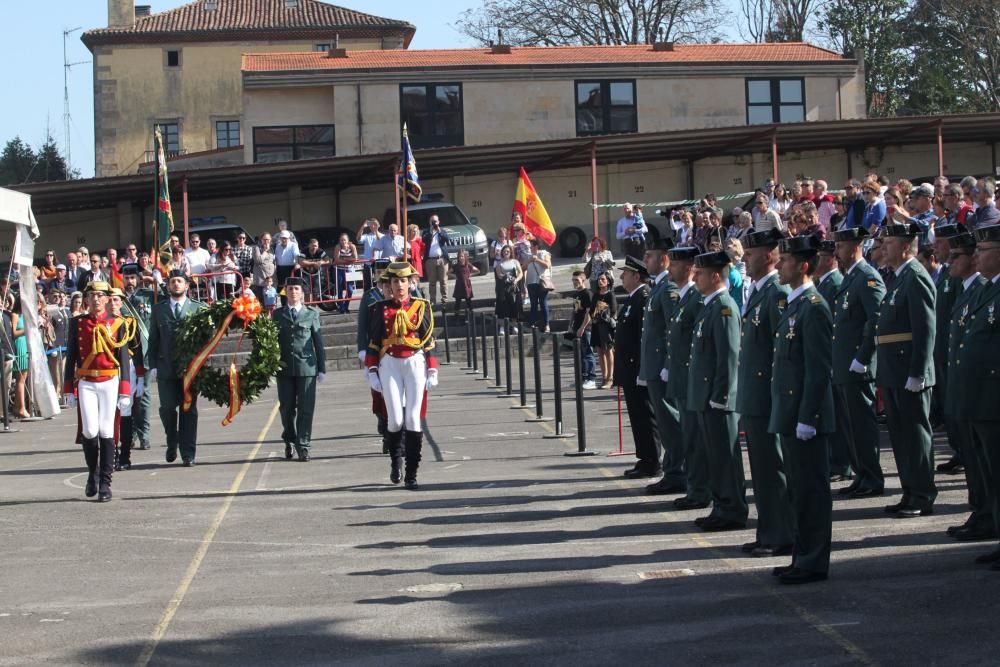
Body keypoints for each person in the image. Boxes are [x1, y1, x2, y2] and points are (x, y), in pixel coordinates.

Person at [770, 234, 835, 585]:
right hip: (790, 412)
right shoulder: (795, 306)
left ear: (804, 266)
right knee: (798, 490)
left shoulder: (814, 307)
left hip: (806, 417)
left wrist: (809, 418)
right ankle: (802, 555)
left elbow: (817, 370)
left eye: (785, 261)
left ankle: (813, 560)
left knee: (812, 491)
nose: (780, 265)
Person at [736, 228, 794, 557]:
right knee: (760, 470)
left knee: (774, 470)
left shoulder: (776, 293)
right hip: (755, 396)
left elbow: (780, 351)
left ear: (769, 256)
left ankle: (782, 534)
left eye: (751, 253)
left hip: (768, 396)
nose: (746, 257)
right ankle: (767, 531)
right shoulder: (758, 292)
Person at [876, 222, 937, 518]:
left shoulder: (915, 277)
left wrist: (919, 372)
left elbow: (925, 329)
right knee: (901, 437)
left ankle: (922, 493)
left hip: (908, 371)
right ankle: (909, 491)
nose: (883, 248)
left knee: (915, 436)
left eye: (888, 244)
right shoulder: (899, 278)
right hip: (893, 370)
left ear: (904, 247)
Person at [688, 249, 747, 532]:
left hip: (718, 399)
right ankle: (721, 505)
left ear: (715, 276)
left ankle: (733, 509)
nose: (695, 277)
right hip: (706, 396)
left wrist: (721, 397)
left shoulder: (724, 307)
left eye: (699, 273)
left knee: (726, 458)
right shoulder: (710, 306)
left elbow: (728, 357)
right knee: (716, 456)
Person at [364, 262, 438, 489]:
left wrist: (432, 367)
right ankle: (396, 461)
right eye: (394, 282)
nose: (399, 286)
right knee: (395, 419)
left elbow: (428, 340)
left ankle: (412, 473)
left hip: (414, 362)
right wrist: (372, 370)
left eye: (403, 281)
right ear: (390, 285)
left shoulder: (421, 306)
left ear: (410, 283)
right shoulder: (379, 308)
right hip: (390, 364)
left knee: (413, 419)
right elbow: (374, 343)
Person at [953, 224, 1000, 569]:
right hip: (981, 398)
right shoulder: (988, 290)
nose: (978, 256)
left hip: (993, 399)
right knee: (990, 472)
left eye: (985, 250)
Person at [62, 281, 134, 502]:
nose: (96, 299)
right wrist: (67, 388)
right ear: (87, 299)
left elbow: (122, 357)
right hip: (86, 381)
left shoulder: (117, 323)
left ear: (107, 298)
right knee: (90, 432)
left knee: (106, 431)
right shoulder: (78, 323)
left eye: (100, 295)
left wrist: (124, 389)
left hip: (110, 380)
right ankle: (92, 473)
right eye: (92, 295)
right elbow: (72, 355)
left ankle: (105, 482)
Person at [940, 228, 990, 542]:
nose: (950, 261)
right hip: (967, 390)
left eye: (957, 256)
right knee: (975, 460)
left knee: (986, 464)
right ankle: (982, 513)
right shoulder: (969, 290)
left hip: (985, 394)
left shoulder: (984, 290)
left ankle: (988, 517)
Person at [831, 227, 887, 499]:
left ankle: (872, 477)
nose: (837, 252)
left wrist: (863, 358)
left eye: (840, 247)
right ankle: (861, 473)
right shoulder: (850, 278)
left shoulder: (867, 278)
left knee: (862, 426)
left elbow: (876, 320)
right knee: (850, 425)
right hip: (844, 365)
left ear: (854, 247)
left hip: (857, 366)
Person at [662, 246, 710, 510]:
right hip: (682, 379)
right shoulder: (684, 297)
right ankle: (695, 488)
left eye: (676, 264)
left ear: (689, 268)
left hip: (692, 379)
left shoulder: (696, 298)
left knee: (695, 439)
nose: (670, 268)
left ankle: (701, 489)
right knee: (689, 437)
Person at [639, 239, 686, 496]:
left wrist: (668, 365)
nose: (646, 261)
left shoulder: (668, 289)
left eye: (650, 256)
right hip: (654, 368)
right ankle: (672, 470)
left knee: (671, 423)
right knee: (666, 425)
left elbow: (672, 332)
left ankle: (678, 472)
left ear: (664, 259)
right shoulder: (658, 287)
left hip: (662, 369)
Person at [147, 270, 205, 466]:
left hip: (190, 370)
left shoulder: (198, 309)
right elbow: (153, 340)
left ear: (187, 285)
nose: (176, 284)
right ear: (168, 286)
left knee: (189, 410)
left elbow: (206, 341)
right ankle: (172, 440)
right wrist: (153, 366)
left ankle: (188, 453)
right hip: (166, 368)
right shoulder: (158, 310)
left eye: (180, 281)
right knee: (167, 408)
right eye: (173, 282)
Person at [614, 256, 660, 479]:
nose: (621, 277)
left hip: (637, 368)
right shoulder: (633, 298)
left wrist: (642, 369)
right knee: (637, 416)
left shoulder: (643, 298)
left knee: (645, 415)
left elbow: (645, 337)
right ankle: (644, 457)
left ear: (636, 276)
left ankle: (652, 460)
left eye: (626, 273)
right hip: (629, 369)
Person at [273, 277, 326, 462]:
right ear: (285, 292)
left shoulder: (311, 314)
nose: (293, 292)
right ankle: (289, 439)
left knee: (306, 409)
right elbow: (271, 341)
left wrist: (321, 368)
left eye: (296, 289)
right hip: (285, 368)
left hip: (307, 367)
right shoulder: (277, 315)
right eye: (290, 289)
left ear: (302, 293)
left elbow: (318, 343)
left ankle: (303, 445)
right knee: (286, 409)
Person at [813, 240, 851, 482]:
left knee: (838, 415)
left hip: (835, 358)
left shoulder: (835, 283)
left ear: (829, 259)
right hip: (828, 358)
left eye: (820, 256)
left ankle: (841, 463)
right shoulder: (824, 283)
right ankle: (835, 461)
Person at [108, 287, 145, 471]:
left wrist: (140, 377)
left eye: (116, 300)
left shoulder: (130, 322)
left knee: (125, 413)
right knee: (109, 415)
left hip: (126, 370)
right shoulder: (102, 323)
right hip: (106, 371)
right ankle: (111, 454)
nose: (113, 303)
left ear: (122, 303)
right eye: (110, 300)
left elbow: (137, 351)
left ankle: (124, 456)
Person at [122, 263, 154, 451]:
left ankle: (144, 435)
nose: (130, 282)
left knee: (143, 397)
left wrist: (156, 280)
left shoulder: (148, 296)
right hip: (126, 356)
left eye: (133, 278)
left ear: (139, 279)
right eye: (127, 278)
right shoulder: (118, 299)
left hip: (145, 353)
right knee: (128, 397)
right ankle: (130, 434)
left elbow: (168, 297)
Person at [569, 270, 597, 389]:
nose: (575, 282)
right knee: (580, 354)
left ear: (583, 280)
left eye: (577, 280)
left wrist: (582, 327)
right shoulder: (576, 294)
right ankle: (582, 378)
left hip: (586, 328)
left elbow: (589, 313)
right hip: (577, 327)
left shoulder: (587, 294)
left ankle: (591, 378)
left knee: (588, 353)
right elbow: (575, 311)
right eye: (573, 280)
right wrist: (570, 325)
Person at [590, 271, 617, 389]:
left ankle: (611, 377)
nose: (600, 281)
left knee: (608, 350)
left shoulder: (610, 294)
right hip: (596, 325)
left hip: (606, 326)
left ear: (608, 281)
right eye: (599, 279)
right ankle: (604, 376)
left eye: (603, 279)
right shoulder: (596, 295)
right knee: (599, 351)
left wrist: (604, 312)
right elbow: (591, 310)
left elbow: (614, 310)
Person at [524, 239, 552, 331]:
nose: (529, 248)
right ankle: (532, 323)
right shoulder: (529, 256)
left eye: (531, 246)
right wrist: (529, 261)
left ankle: (546, 324)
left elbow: (547, 265)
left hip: (541, 282)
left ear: (536, 246)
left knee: (543, 303)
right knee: (533, 304)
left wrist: (537, 259)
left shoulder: (544, 253)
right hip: (531, 282)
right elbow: (523, 267)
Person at [493, 245, 522, 333]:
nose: (506, 253)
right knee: (503, 307)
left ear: (510, 253)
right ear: (502, 252)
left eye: (508, 251)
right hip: (503, 288)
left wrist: (516, 280)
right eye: (504, 251)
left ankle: (514, 326)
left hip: (513, 287)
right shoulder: (499, 263)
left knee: (514, 307)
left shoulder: (515, 261)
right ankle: (502, 327)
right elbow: (499, 275)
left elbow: (520, 273)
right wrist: (506, 276)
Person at [423, 216, 450, 306]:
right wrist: (431, 232)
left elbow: (447, 239)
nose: (434, 223)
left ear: (439, 222)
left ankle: (444, 299)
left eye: (435, 221)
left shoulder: (442, 231)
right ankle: (433, 300)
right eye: (432, 221)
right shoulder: (426, 232)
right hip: (430, 260)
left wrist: (439, 232)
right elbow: (424, 239)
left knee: (443, 281)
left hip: (442, 259)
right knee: (432, 281)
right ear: (429, 222)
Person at [9, 295, 29, 418]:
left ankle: (17, 407)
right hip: (20, 345)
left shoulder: (25, 315)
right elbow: (14, 332)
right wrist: (26, 329)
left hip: (26, 344)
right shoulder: (15, 314)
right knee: (21, 379)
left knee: (24, 378)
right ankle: (21, 408)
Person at [449, 249, 480, 318]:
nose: (461, 258)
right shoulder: (456, 266)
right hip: (459, 286)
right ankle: (456, 315)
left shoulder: (468, 265)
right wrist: (454, 276)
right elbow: (448, 273)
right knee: (458, 301)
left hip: (467, 285)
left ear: (465, 257)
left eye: (462, 256)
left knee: (468, 300)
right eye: (459, 256)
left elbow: (478, 271)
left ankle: (472, 314)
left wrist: (470, 275)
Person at [334, 233, 359, 314]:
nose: (343, 241)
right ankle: (341, 307)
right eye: (341, 240)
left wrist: (344, 259)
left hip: (349, 270)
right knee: (340, 289)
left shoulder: (352, 246)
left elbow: (355, 258)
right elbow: (336, 260)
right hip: (339, 270)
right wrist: (348, 260)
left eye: (344, 240)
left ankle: (346, 306)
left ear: (348, 240)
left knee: (350, 289)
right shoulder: (338, 247)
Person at [252, 232, 276, 302]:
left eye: (268, 239)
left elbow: (274, 262)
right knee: (262, 302)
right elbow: (258, 261)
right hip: (261, 280)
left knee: (271, 302)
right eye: (264, 239)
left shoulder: (272, 249)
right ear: (261, 240)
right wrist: (265, 251)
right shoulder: (256, 248)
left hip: (271, 280)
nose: (266, 241)